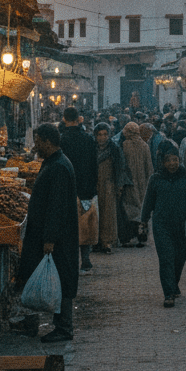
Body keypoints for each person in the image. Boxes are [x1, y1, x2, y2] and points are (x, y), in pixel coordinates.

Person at [19, 123, 79, 343]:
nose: (35, 145)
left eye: (37, 141)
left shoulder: (60, 167)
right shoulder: (54, 163)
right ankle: (58, 324)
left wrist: (50, 239)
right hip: (52, 234)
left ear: (46, 141)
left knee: (60, 279)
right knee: (58, 278)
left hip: (59, 238)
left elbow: (57, 206)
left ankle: (64, 327)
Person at [140, 144, 186, 307]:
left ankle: (174, 284)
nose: (172, 164)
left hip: (184, 226)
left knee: (179, 258)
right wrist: (144, 220)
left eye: (175, 160)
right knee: (166, 258)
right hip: (162, 226)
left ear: (179, 160)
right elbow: (148, 201)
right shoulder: (156, 178)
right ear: (163, 162)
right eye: (169, 160)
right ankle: (168, 294)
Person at [59, 107, 98, 274]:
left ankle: (70, 262)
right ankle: (86, 259)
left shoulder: (61, 140)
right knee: (85, 223)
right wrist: (93, 187)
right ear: (79, 119)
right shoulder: (88, 139)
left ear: (64, 119)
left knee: (69, 226)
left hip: (67, 188)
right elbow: (94, 166)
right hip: (85, 188)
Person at [93, 122, 131, 253]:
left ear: (109, 135)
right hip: (94, 186)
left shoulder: (114, 149)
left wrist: (119, 185)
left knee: (109, 215)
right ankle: (95, 241)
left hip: (109, 185)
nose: (102, 138)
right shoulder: (91, 149)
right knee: (95, 214)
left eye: (105, 134)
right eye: (99, 135)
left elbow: (120, 168)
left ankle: (107, 242)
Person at [120, 121, 153, 246]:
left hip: (129, 182)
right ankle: (142, 235)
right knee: (142, 208)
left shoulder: (125, 145)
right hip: (143, 182)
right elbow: (149, 166)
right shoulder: (145, 145)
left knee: (130, 209)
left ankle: (131, 234)